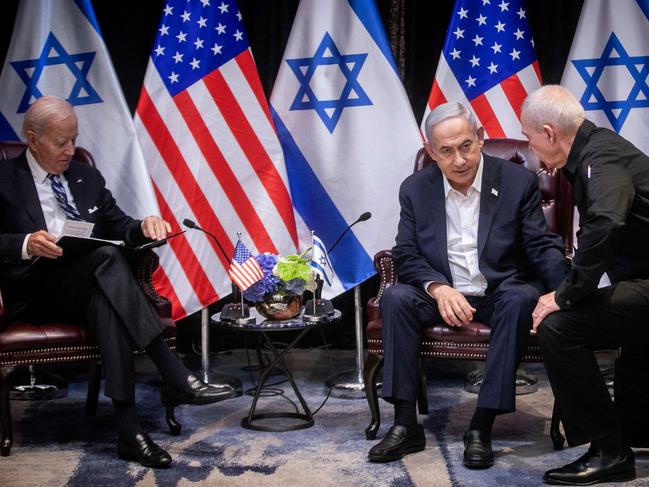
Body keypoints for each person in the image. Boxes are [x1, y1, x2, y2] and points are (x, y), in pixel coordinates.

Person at [0, 96, 234, 469]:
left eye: (73, 139)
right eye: (60, 142)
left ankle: (129, 432)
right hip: (35, 292)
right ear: (32, 140)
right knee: (106, 261)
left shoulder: (85, 176)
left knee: (103, 295)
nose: (70, 150)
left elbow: (119, 226)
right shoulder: (5, 179)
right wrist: (25, 243)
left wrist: (143, 227)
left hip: (88, 285)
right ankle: (173, 371)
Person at [367, 102, 569, 467]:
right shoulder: (415, 189)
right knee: (396, 297)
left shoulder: (516, 181)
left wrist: (567, 292)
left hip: (499, 290)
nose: (458, 160)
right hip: (444, 292)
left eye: (465, 146)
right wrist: (438, 288)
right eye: (445, 151)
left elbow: (540, 245)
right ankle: (404, 424)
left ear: (479, 139)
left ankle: (481, 425)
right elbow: (407, 253)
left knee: (521, 299)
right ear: (431, 152)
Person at [523, 84, 649, 485]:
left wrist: (565, 295)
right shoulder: (599, 149)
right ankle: (634, 431)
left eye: (528, 138)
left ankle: (608, 449)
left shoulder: (601, 156)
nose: (531, 149)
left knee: (560, 326)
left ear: (548, 132)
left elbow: (606, 222)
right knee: (629, 327)